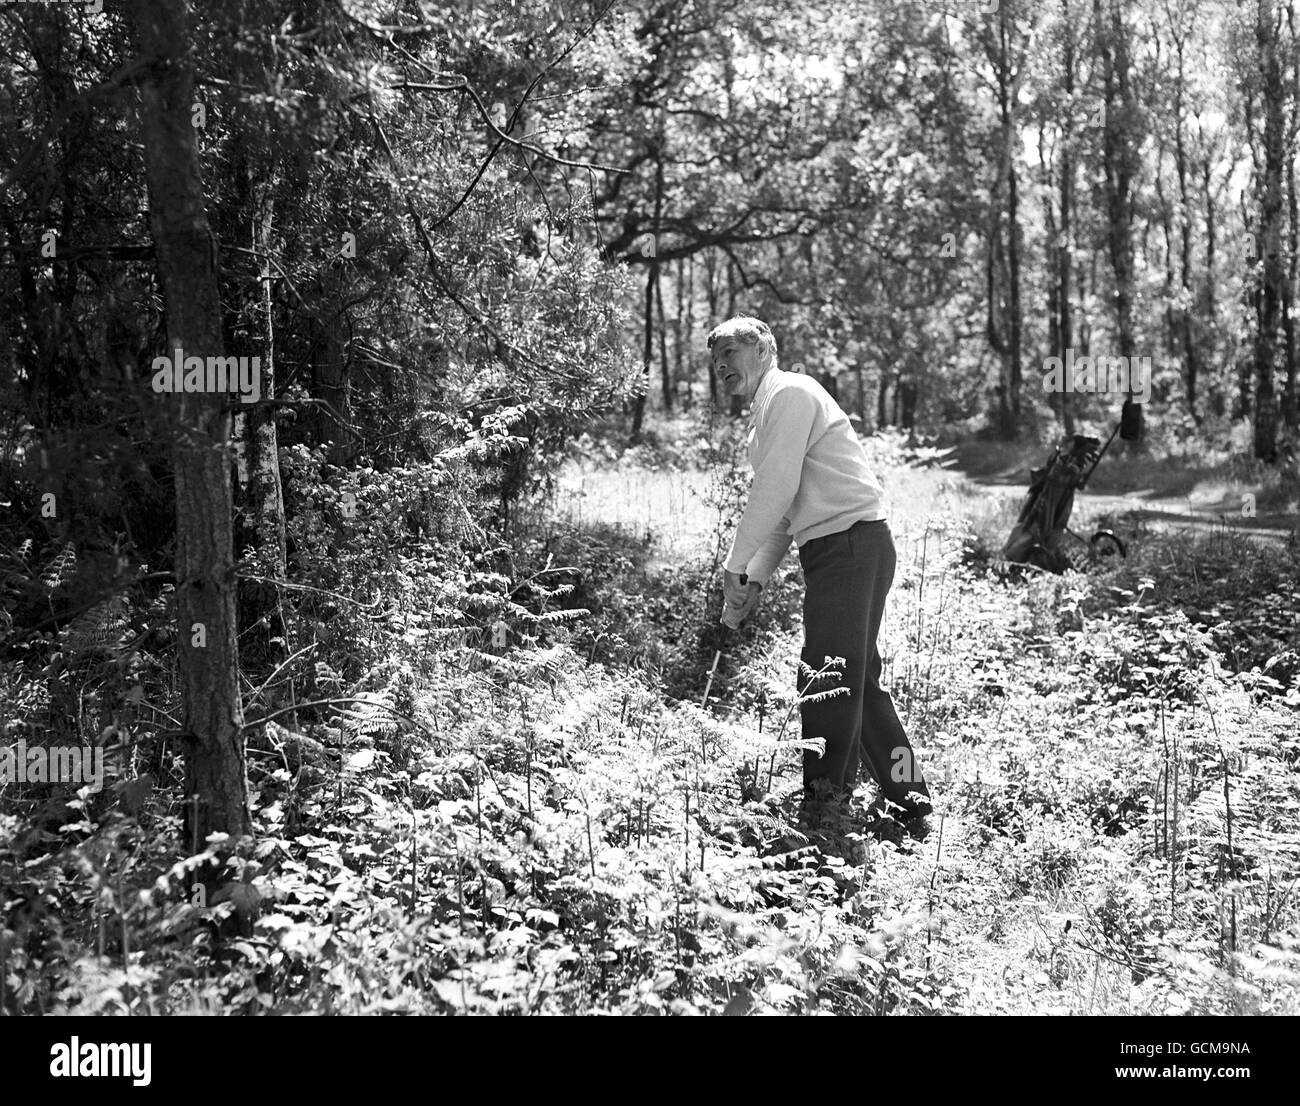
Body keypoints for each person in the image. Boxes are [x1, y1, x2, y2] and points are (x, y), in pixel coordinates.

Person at [707, 315, 932, 840]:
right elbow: (784, 514)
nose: (722, 366)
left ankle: (824, 807)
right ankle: (910, 796)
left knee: (827, 676)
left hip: (851, 545)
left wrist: (735, 564)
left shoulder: (789, 394)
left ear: (766, 351)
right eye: (716, 359)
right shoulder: (765, 420)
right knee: (857, 680)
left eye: (732, 353)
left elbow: (777, 488)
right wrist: (754, 577)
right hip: (842, 548)